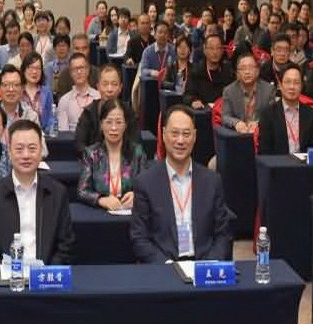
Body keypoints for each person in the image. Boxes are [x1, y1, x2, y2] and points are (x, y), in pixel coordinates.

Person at [128, 105, 235, 263]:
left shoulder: (212, 181)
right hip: (165, 267)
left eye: (186, 134)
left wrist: (207, 266)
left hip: (203, 265)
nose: (180, 140)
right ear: (164, 134)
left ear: (195, 136)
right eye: (175, 133)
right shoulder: (145, 182)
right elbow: (139, 238)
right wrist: (168, 266)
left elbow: (223, 235)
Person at [0, 119, 75, 266]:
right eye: (19, 149)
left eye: (32, 149)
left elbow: (65, 244)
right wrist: (5, 272)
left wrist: (45, 272)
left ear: (41, 151)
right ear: (9, 152)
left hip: (45, 276)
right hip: (6, 276)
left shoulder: (57, 193)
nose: (26, 155)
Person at [77, 99, 152, 210]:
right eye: (109, 122)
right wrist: (101, 200)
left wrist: (136, 196)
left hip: (130, 212)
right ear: (101, 125)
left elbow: (148, 186)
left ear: (125, 125)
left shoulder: (137, 152)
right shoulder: (91, 153)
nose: (114, 128)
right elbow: (82, 191)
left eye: (119, 122)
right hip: (101, 213)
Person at [259, 65, 313, 156]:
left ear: (301, 86)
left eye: (296, 83)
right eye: (288, 82)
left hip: (304, 164)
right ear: (280, 85)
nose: (292, 87)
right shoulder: (268, 114)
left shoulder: (309, 113)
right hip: (278, 163)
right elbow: (264, 152)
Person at [74, 63, 135, 150]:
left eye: (114, 84)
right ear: (98, 87)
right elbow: (79, 145)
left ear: (120, 88)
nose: (109, 89)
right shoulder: (88, 113)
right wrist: (96, 155)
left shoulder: (128, 112)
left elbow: (135, 143)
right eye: (105, 84)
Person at [220, 52, 276, 137]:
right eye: (243, 68)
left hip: (262, 135)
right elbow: (225, 117)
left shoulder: (268, 90)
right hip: (238, 136)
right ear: (237, 73)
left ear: (257, 71)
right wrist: (236, 123)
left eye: (251, 68)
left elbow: (273, 115)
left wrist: (258, 123)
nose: (247, 72)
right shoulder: (229, 91)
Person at [55, 52, 100, 135]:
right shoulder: (64, 101)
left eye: (82, 68)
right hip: (71, 141)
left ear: (88, 70)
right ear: (70, 73)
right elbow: (63, 133)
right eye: (75, 69)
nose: (79, 72)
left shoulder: (98, 97)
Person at [186, 34, 233, 108]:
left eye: (218, 48)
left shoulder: (228, 71)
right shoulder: (195, 71)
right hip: (202, 111)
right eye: (211, 48)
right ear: (204, 50)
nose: (215, 52)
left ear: (222, 51)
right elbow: (187, 95)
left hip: (223, 111)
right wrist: (193, 101)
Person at [18, 53, 56, 129]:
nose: (34, 72)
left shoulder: (47, 92)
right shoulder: (18, 91)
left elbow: (51, 118)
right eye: (31, 67)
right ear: (24, 69)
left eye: (38, 68)